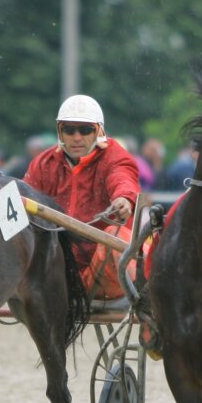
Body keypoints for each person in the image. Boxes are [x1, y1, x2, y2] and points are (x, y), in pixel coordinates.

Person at [23, 94, 139, 299]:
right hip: (54, 269)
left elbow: (122, 177)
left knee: (118, 234)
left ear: (99, 131)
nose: (76, 137)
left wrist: (123, 198)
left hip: (100, 274)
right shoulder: (42, 164)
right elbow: (21, 203)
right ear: (60, 131)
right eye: (69, 130)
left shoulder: (115, 157)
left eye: (85, 130)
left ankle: (141, 292)